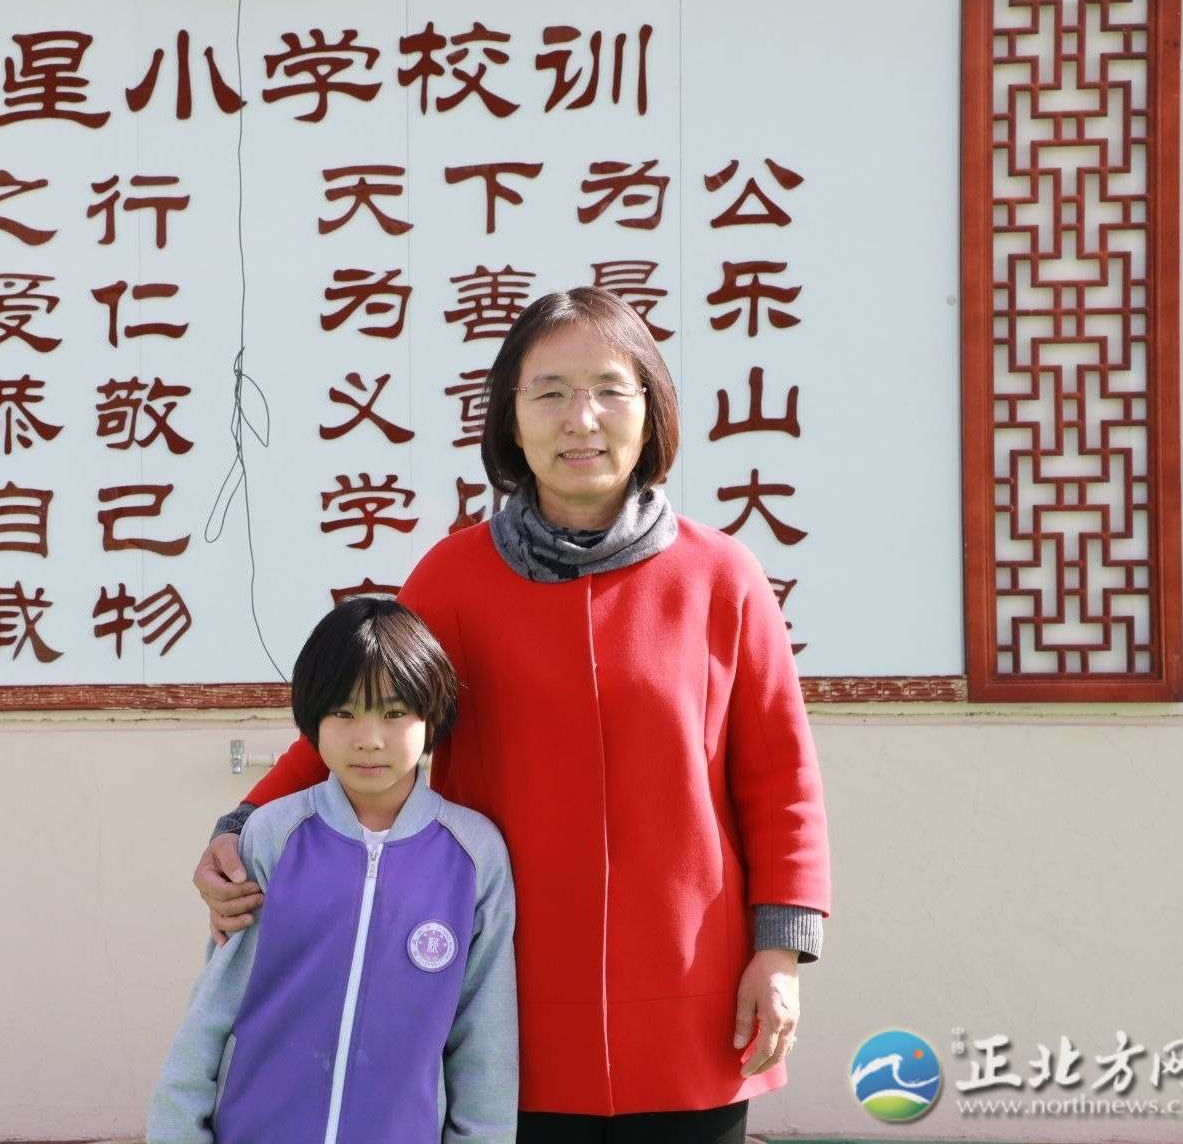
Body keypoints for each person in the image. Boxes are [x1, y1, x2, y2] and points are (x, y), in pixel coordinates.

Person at [193, 288, 831, 1144]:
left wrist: (781, 950)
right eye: (550, 392)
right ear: (510, 418)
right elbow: (355, 724)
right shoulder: (454, 580)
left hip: (693, 998)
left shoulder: (723, 577)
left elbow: (780, 779)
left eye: (610, 390)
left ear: (651, 410)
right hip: (499, 994)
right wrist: (241, 826)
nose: (581, 418)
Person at [150, 597, 518, 1144]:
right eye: (344, 714)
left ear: (432, 716)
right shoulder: (273, 837)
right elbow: (213, 1013)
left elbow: (485, 1040)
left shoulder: (473, 854)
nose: (368, 738)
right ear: (312, 719)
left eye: (394, 713)